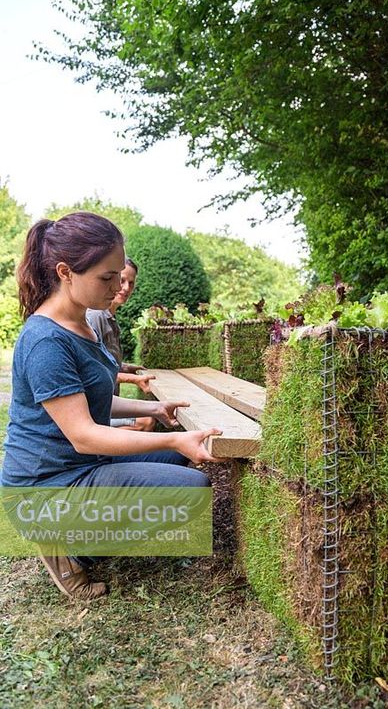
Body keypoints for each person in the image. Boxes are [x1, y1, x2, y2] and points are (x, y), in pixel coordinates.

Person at [0, 212, 222, 600]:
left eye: (120, 274)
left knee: (175, 467)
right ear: (65, 272)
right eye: (107, 277)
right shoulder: (46, 342)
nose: (119, 286)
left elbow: (93, 400)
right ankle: (66, 549)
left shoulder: (85, 323)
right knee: (192, 490)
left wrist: (154, 411)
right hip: (45, 489)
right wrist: (173, 440)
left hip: (82, 466)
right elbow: (84, 435)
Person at [86, 257, 156, 431]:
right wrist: (133, 379)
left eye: (131, 283)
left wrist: (127, 367)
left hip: (107, 405)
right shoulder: (95, 317)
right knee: (146, 421)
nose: (125, 288)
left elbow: (105, 360)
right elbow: (92, 372)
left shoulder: (110, 317)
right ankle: (107, 455)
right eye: (122, 280)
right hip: (94, 412)